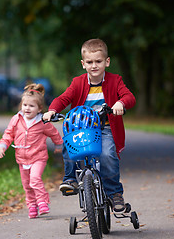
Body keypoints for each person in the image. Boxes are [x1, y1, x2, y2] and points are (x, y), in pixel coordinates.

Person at [43, 38, 136, 212]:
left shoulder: (115, 81)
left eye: (98, 61)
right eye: (90, 62)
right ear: (83, 64)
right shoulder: (78, 82)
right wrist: (52, 110)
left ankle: (115, 193)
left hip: (106, 128)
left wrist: (121, 103)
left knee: (108, 155)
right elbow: (64, 98)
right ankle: (70, 179)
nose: (94, 65)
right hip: (83, 128)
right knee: (69, 146)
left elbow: (129, 97)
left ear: (107, 62)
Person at [0, 83, 63, 219]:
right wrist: (3, 145)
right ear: (21, 105)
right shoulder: (16, 119)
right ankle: (32, 206)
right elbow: (8, 134)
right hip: (22, 158)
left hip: (38, 157)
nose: (27, 108)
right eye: (25, 105)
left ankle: (42, 202)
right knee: (27, 185)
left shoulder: (42, 122)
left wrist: (58, 145)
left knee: (34, 179)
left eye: (31, 106)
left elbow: (54, 133)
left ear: (39, 109)